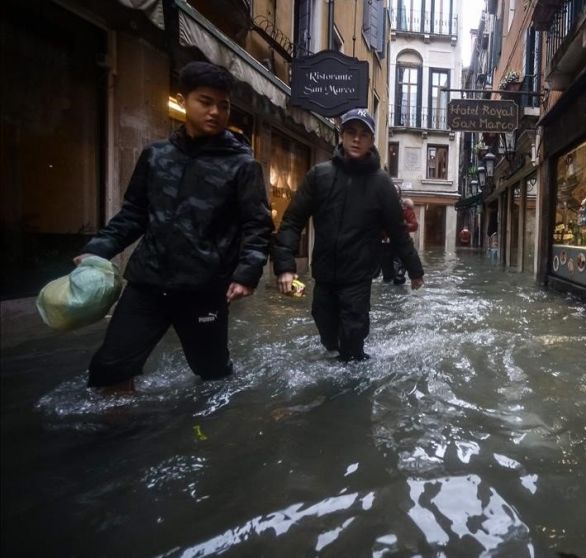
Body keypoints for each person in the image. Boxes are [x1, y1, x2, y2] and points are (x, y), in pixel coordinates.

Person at [75, 61, 273, 394]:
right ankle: (115, 435)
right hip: (147, 282)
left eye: (223, 105)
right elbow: (134, 213)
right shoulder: (156, 156)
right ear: (184, 101)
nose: (215, 112)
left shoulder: (242, 165)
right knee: (110, 365)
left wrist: (246, 274)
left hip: (204, 287)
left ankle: (209, 430)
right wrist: (98, 249)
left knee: (210, 370)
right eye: (205, 102)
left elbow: (257, 225)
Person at [273, 108, 425, 362]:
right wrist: (285, 266)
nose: (357, 139)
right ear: (341, 136)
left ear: (371, 141)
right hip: (323, 273)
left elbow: (399, 232)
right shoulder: (319, 176)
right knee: (327, 333)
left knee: (353, 341)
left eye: (364, 134)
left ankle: (352, 376)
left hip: (358, 276)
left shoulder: (382, 184)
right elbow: (292, 221)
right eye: (351, 132)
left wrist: (415, 271)